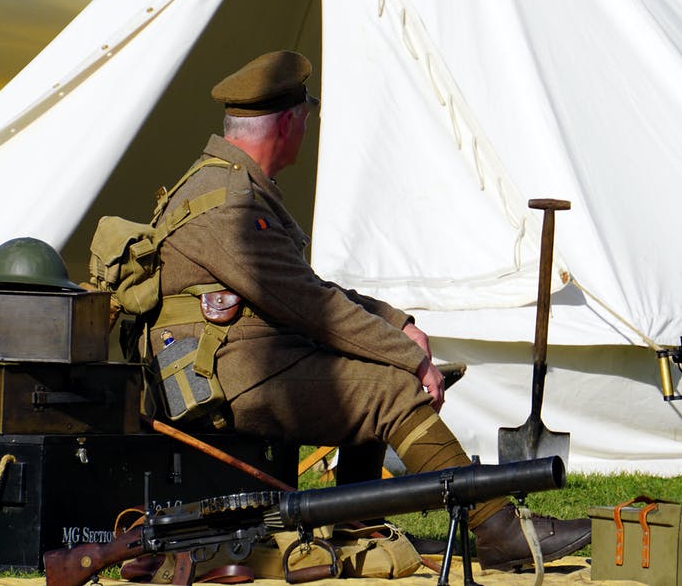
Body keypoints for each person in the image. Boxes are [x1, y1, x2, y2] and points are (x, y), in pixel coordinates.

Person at [146, 50, 590, 570]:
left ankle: (357, 526)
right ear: (290, 123)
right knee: (390, 389)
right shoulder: (228, 203)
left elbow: (303, 288)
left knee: (379, 373)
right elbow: (312, 307)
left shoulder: (229, 186)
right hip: (219, 376)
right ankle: (498, 531)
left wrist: (395, 322)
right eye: (306, 118)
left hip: (234, 362)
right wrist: (409, 358)